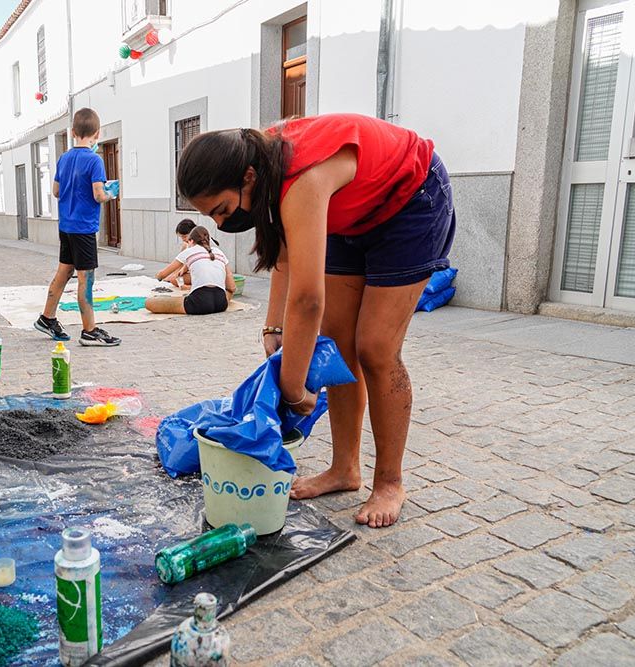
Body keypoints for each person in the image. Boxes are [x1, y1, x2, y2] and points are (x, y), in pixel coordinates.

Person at [175, 114, 455, 528]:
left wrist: (292, 391)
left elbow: (307, 301)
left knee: (375, 347)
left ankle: (390, 482)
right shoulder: (262, 166)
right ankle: (345, 469)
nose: (219, 224)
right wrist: (273, 330)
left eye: (222, 209)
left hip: (410, 201)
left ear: (247, 178)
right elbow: (286, 261)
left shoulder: (300, 179)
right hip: (352, 214)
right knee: (338, 346)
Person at [33, 108, 121, 347]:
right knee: (86, 279)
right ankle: (89, 330)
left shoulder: (63, 158)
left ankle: (47, 317)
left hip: (66, 226)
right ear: (97, 133)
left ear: (73, 132)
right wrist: (110, 194)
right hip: (84, 228)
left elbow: (56, 191)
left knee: (63, 272)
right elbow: (97, 194)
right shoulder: (95, 160)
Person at [147, 226, 235, 315]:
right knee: (222, 292)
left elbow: (162, 275)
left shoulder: (189, 251)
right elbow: (232, 287)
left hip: (200, 303)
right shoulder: (220, 252)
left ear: (191, 241)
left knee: (149, 303)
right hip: (221, 304)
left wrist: (158, 276)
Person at [168, 219, 197, 289]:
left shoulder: (198, 245)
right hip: (190, 271)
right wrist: (175, 274)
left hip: (200, 273)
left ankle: (191, 287)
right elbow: (179, 262)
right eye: (181, 237)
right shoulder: (186, 245)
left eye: (184, 236)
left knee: (173, 279)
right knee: (173, 277)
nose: (183, 239)